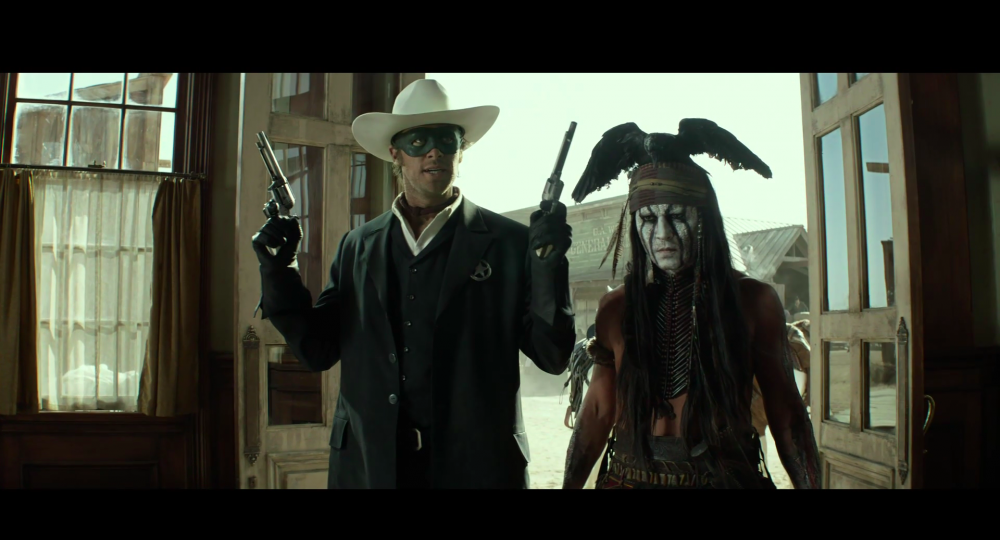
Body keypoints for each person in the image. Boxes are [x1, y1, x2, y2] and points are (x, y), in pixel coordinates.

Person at [252, 79, 576, 489]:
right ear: (396, 153)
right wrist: (279, 270)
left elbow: (552, 356)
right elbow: (318, 350)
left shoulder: (511, 243)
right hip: (371, 469)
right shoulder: (357, 245)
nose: (434, 152)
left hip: (477, 469)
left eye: (446, 139)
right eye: (418, 141)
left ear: (461, 149)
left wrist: (549, 265)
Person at [561, 119, 820, 489]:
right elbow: (599, 411)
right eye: (648, 218)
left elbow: (788, 416)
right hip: (627, 478)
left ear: (703, 218)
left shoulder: (753, 301)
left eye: (677, 216)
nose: (662, 234)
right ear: (634, 223)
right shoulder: (615, 308)